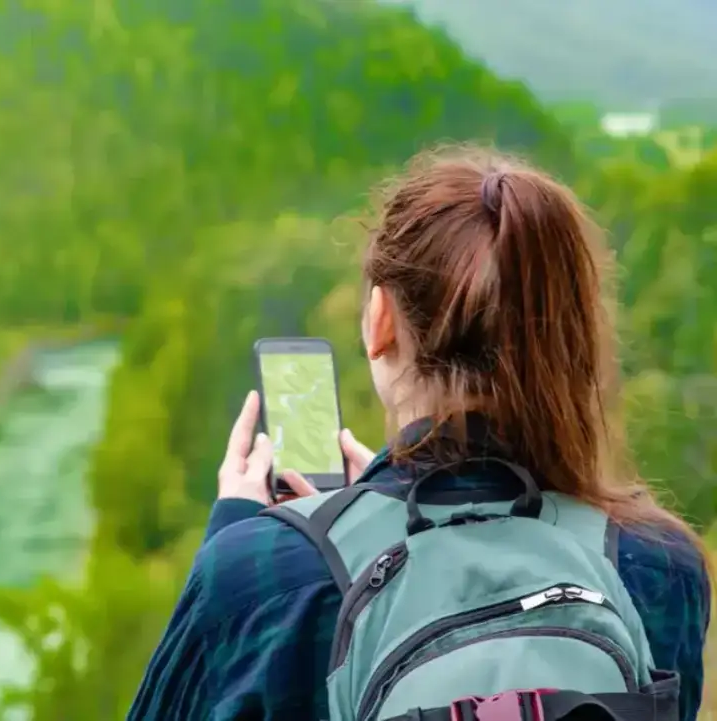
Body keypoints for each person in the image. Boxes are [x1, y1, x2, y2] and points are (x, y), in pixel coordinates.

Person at [127, 147, 711, 721]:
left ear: (379, 321)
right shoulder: (660, 566)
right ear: (569, 341)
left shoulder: (259, 576)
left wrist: (253, 533)